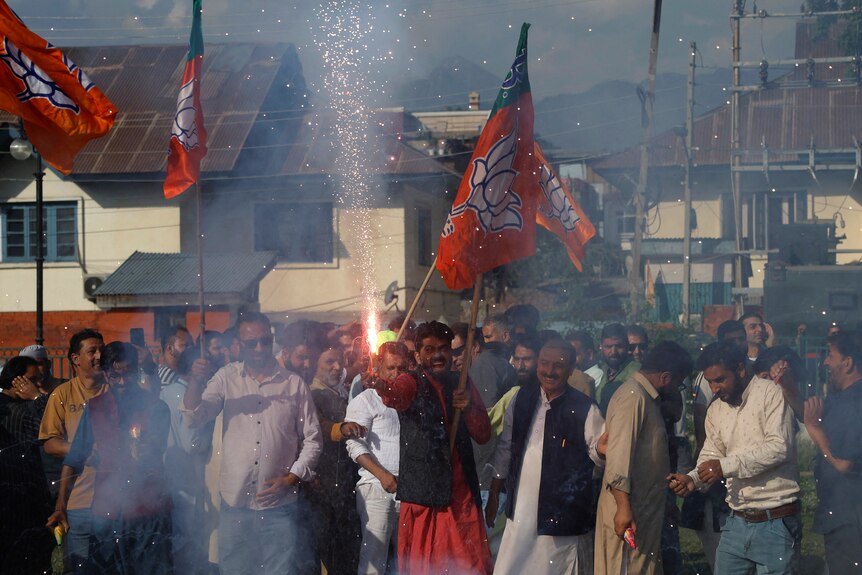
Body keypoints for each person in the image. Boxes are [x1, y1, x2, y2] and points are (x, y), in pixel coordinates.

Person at [182, 312, 322, 575]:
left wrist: (291, 478)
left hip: (280, 507)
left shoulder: (293, 384)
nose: (259, 348)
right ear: (238, 345)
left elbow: (313, 440)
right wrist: (195, 382)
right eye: (251, 343)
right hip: (235, 505)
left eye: (265, 341)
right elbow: (194, 417)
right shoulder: (227, 378)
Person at [668, 341, 801, 575]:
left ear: (740, 369)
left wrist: (724, 466)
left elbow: (779, 448)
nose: (715, 388)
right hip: (736, 521)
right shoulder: (716, 410)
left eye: (720, 380)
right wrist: (693, 479)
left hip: (776, 519)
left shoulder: (771, 394)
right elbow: (711, 455)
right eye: (710, 382)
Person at [376, 321, 493, 575]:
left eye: (443, 349)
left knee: (469, 568)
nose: (438, 355)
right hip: (424, 499)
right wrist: (380, 384)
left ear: (451, 352)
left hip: (461, 498)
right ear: (417, 356)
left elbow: (483, 434)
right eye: (429, 350)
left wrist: (469, 406)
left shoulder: (461, 382)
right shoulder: (411, 380)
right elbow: (396, 396)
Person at [49, 342, 172, 575]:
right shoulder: (95, 408)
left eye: (128, 375)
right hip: (108, 514)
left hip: (149, 514)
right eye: (115, 376)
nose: (123, 383)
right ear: (105, 374)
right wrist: (60, 506)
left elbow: (157, 451)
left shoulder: (157, 407)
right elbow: (75, 458)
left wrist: (144, 447)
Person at [487, 339, 604, 574]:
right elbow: (505, 449)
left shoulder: (584, 408)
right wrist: (494, 494)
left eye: (559, 365)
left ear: (571, 369)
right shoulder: (520, 399)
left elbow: (600, 455)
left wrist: (606, 448)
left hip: (562, 514)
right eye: (544, 363)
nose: (550, 371)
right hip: (521, 509)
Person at [595, 340, 693, 575]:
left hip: (645, 510)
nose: (678, 388)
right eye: (679, 383)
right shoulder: (633, 398)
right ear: (667, 377)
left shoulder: (644, 397)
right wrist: (623, 508)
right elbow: (619, 457)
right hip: (630, 513)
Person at [38, 329, 107, 569]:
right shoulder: (62, 394)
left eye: (102, 350)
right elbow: (50, 443)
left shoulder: (113, 391)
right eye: (92, 351)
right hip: (78, 501)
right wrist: (81, 450)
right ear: (75, 359)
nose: (99, 355)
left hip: (113, 501)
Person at [344, 341, 410, 575]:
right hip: (377, 488)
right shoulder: (365, 400)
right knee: (374, 559)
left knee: (408, 560)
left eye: (401, 369)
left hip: (410, 490)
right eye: (391, 368)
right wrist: (383, 476)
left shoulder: (410, 399)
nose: (395, 374)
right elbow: (354, 445)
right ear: (379, 364)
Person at [803, 331, 862, 575]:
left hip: (852, 519)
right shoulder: (841, 398)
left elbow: (844, 463)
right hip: (842, 514)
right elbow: (808, 413)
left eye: (831, 355)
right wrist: (785, 384)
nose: (825, 362)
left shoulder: (857, 401)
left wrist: (814, 429)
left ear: (847, 362)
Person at [308, 346, 364, 575]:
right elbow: (318, 426)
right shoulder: (312, 394)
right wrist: (341, 428)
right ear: (315, 365)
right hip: (326, 483)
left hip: (345, 483)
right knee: (331, 552)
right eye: (329, 362)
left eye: (339, 361)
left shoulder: (340, 391)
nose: (337, 367)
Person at [0, 356, 52, 568]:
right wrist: (39, 398)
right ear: (16, 382)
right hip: (23, 498)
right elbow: (52, 429)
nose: (39, 384)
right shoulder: (17, 411)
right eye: (33, 380)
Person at [595, 323, 641, 416]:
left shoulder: (637, 372)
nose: (613, 352)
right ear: (601, 347)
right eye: (608, 347)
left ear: (627, 347)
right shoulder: (601, 373)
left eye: (619, 346)